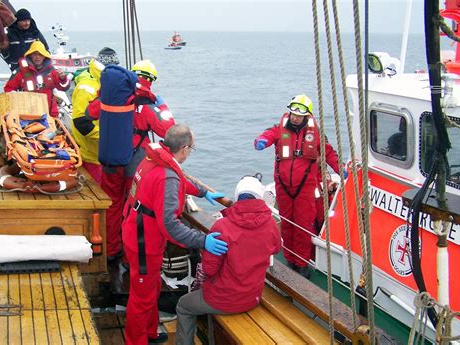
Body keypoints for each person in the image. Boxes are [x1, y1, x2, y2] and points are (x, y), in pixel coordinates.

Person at [121, 124, 227, 345]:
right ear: (185, 148)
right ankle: (135, 341)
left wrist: (203, 192)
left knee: (151, 287)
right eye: (192, 148)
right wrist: (202, 240)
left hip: (136, 230)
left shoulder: (153, 159)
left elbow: (177, 182)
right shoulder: (167, 175)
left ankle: (150, 331)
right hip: (144, 242)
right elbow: (170, 224)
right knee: (141, 296)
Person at [175, 175, 281, 345]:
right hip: (252, 297)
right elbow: (276, 248)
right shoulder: (270, 225)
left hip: (222, 300)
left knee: (183, 306)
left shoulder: (222, 227)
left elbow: (209, 270)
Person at [95, 59, 176, 261]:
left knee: (112, 204)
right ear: (151, 80)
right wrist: (162, 106)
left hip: (111, 158)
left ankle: (111, 250)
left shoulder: (113, 97)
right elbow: (168, 130)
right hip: (136, 163)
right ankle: (129, 253)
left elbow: (90, 113)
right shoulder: (148, 104)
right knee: (133, 207)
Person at [254, 94, 341, 278]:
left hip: (304, 189)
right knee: (287, 224)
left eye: (298, 115)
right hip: (284, 187)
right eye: (292, 113)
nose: (294, 117)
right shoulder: (280, 129)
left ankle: (301, 263)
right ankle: (290, 257)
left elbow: (329, 154)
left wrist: (342, 170)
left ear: (306, 115)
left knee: (302, 226)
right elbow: (268, 134)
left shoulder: (315, 136)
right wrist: (261, 141)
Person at [71, 48, 119, 184]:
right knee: (100, 191)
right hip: (92, 155)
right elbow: (81, 123)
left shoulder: (104, 83)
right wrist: (107, 137)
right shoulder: (86, 88)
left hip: (103, 153)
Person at [4, 40, 70, 118]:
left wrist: (62, 78)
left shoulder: (52, 71)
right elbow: (8, 89)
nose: (37, 57)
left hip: (50, 114)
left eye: (40, 54)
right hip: (27, 115)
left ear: (44, 56)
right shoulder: (21, 72)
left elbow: (64, 87)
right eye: (35, 54)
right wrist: (17, 97)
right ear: (30, 55)